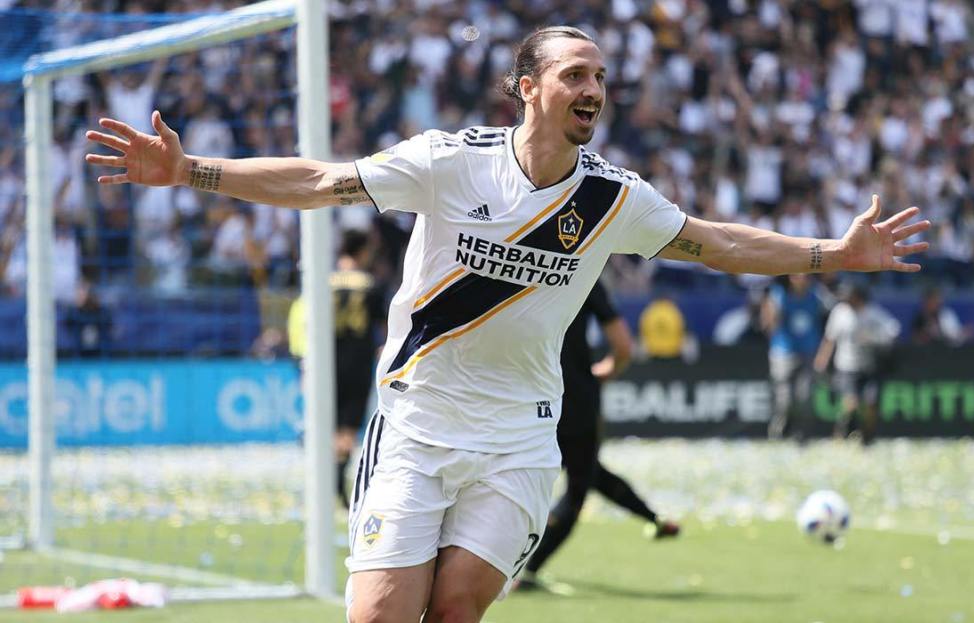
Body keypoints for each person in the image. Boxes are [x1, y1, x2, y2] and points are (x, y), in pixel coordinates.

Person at [85, 26, 929, 623]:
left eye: (599, 78)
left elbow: (715, 243)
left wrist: (831, 253)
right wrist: (190, 170)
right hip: (418, 423)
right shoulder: (449, 161)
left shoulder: (613, 197)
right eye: (574, 74)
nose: (592, 90)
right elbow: (318, 181)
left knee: (455, 611)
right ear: (528, 87)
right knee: (381, 615)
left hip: (522, 440)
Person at [514, 281, 678, 593]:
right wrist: (602, 373)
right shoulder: (586, 271)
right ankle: (527, 569)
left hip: (526, 393)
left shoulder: (526, 267)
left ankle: (654, 518)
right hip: (576, 399)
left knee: (582, 472)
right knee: (580, 481)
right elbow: (623, 347)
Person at [288, 229, 386, 507]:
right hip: (358, 362)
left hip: (325, 361)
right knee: (347, 428)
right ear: (363, 251)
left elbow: (305, 321)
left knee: (325, 424)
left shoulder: (323, 281)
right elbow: (385, 326)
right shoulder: (372, 284)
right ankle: (338, 481)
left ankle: (326, 485)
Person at [813, 283, 901, 444]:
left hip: (871, 366)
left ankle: (867, 438)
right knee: (850, 402)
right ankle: (841, 434)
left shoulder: (873, 313)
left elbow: (892, 331)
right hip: (847, 366)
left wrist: (873, 338)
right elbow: (829, 339)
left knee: (871, 403)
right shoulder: (839, 313)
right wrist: (822, 359)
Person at [761, 274, 831, 440]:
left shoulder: (818, 294)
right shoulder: (778, 294)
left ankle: (802, 436)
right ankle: (779, 430)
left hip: (809, 352)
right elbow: (768, 323)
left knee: (805, 396)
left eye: (805, 277)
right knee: (784, 399)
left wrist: (823, 352)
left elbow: (832, 315)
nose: (801, 280)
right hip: (783, 353)